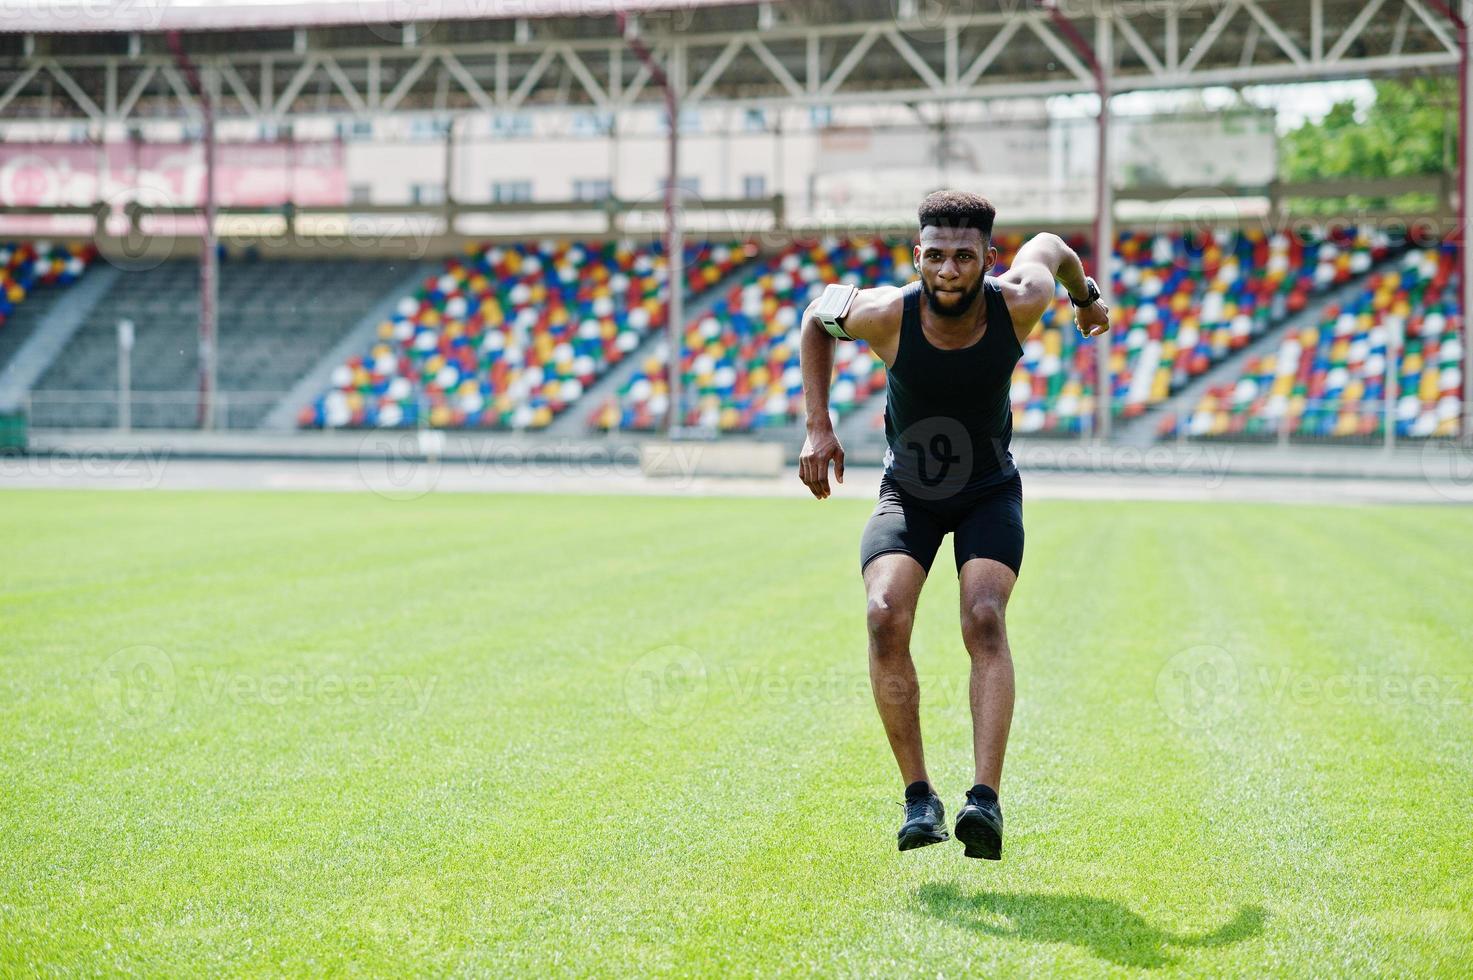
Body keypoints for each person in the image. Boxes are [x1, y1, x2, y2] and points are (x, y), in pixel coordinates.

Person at [797, 190, 1110, 860]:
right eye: (933, 255)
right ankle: (918, 799)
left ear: (985, 260)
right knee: (884, 615)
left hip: (988, 490)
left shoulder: (1019, 300)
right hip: (907, 491)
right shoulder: (884, 312)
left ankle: (984, 802)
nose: (946, 270)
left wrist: (1084, 299)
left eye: (962, 257)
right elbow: (814, 315)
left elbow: (1052, 247)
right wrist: (818, 427)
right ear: (916, 256)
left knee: (984, 618)